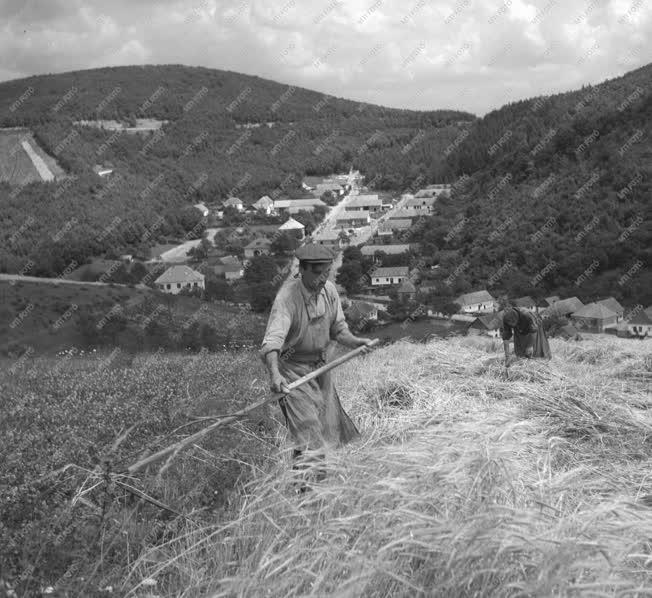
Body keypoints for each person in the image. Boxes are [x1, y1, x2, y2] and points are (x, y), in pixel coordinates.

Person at [260, 244, 375, 480]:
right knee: (308, 432)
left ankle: (316, 487)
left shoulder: (329, 291)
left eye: (327, 272)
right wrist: (275, 375)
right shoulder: (287, 298)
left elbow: (339, 329)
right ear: (302, 270)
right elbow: (272, 342)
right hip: (293, 372)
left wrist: (355, 342)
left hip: (321, 370)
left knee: (326, 430)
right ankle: (308, 491)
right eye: (317, 273)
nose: (323, 278)